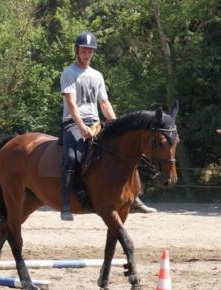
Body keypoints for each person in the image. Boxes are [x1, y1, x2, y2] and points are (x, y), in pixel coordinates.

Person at [60, 32, 156, 221]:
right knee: (72, 157)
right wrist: (81, 126)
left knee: (125, 151)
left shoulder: (97, 75)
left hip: (95, 123)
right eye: (83, 50)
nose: (87, 54)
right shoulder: (69, 72)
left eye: (90, 51)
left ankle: (134, 197)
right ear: (77, 51)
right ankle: (65, 203)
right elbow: (71, 104)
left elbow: (104, 103)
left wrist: (117, 125)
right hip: (73, 123)